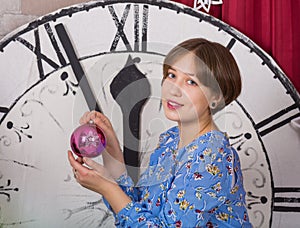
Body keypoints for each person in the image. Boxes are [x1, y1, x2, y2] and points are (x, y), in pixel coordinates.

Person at [68, 38, 252, 227]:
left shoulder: (211, 156)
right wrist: (111, 148)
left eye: (191, 81)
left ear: (216, 97)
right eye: (172, 75)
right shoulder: (171, 140)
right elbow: (141, 209)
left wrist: (107, 188)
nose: (173, 89)